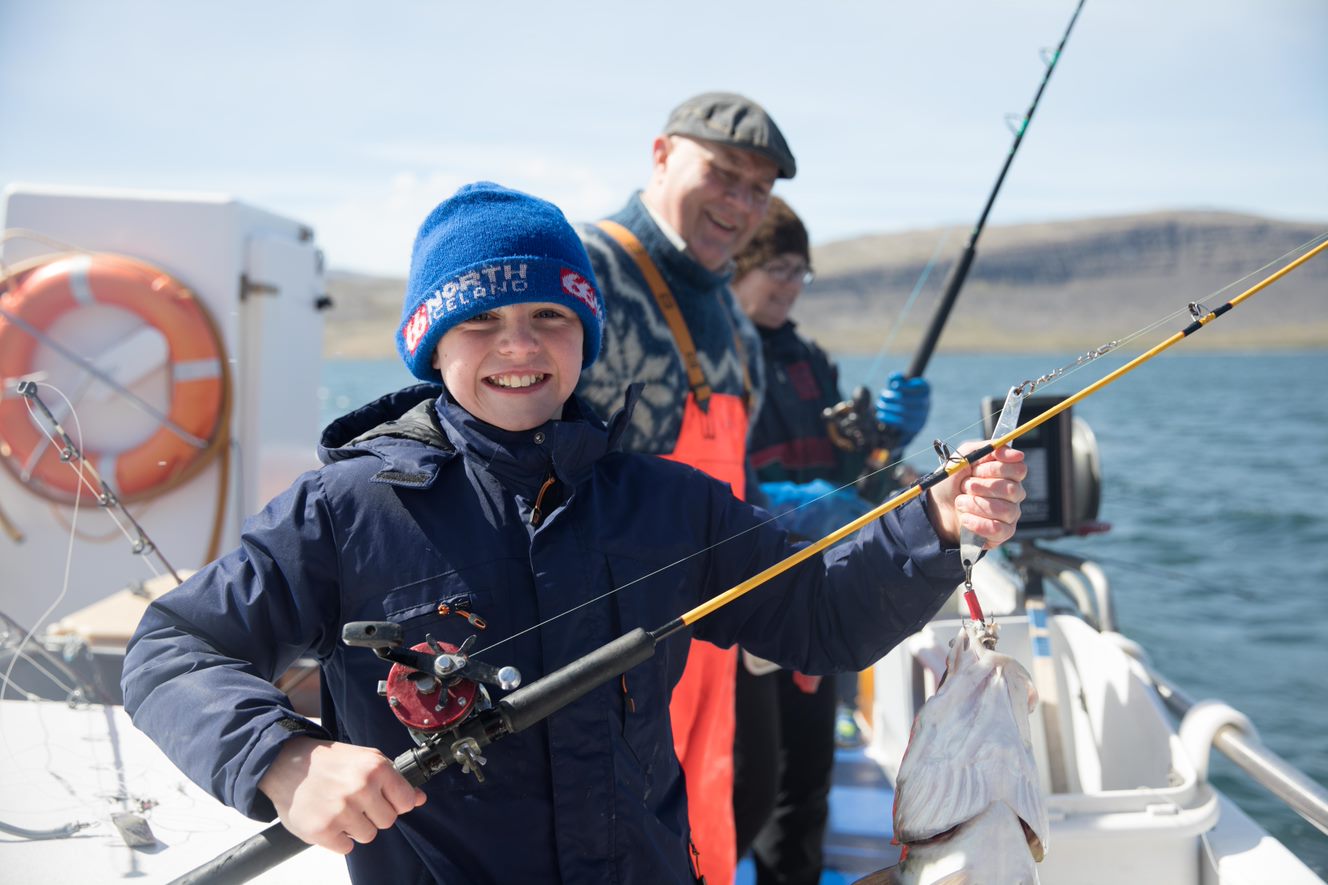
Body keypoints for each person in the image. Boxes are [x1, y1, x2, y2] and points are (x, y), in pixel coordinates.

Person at [121, 182, 1027, 885]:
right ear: (431, 346)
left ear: (586, 333)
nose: (518, 346)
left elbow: (819, 618)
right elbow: (172, 646)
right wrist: (284, 756)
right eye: (480, 322)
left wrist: (935, 523)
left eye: (548, 316)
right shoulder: (344, 510)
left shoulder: (669, 504)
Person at [573, 91, 793, 883]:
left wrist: (789, 601)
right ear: (662, 154)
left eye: (758, 189)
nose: (739, 203)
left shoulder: (732, 317)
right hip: (603, 642)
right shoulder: (582, 271)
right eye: (723, 173)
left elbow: (746, 479)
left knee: (724, 815)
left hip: (709, 628)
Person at [729, 197, 930, 885]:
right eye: (775, 268)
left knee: (805, 778)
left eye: (799, 272)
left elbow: (859, 477)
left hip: (816, 590)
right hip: (739, 603)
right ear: (737, 267)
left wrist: (889, 439)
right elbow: (694, 475)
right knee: (742, 785)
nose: (787, 284)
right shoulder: (715, 357)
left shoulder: (810, 359)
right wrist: (782, 504)